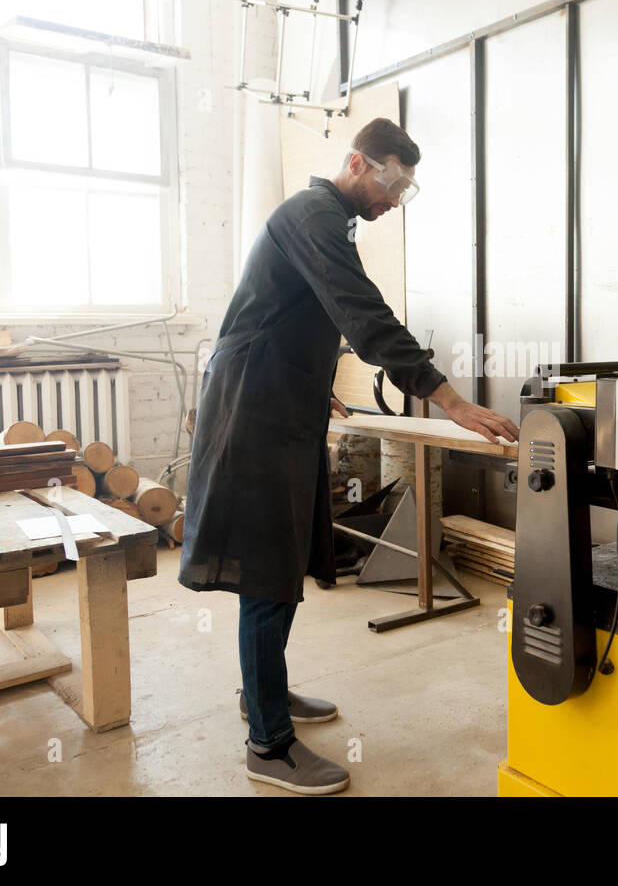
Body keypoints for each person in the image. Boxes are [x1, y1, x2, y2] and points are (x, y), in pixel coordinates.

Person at [179, 117, 519, 795]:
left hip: (280, 401)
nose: (396, 200)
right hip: (255, 413)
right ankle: (268, 745)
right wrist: (448, 399)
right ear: (360, 164)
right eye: (394, 183)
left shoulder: (326, 220)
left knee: (291, 556)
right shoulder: (314, 214)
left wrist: (311, 382)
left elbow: (289, 315)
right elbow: (363, 315)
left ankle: (261, 694)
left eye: (408, 190)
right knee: (267, 570)